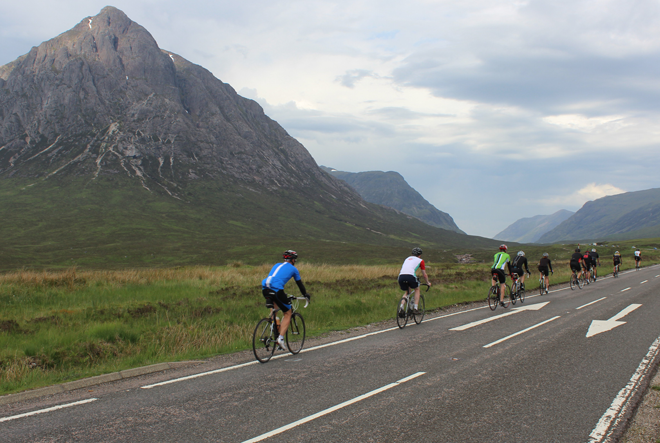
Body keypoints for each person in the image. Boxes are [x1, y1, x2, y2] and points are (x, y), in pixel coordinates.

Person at [262, 250, 311, 349]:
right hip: (277, 289)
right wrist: (305, 295)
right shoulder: (293, 269)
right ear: (293, 260)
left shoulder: (276, 265)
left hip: (265, 288)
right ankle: (280, 338)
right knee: (288, 313)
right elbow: (300, 284)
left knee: (275, 307)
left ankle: (273, 325)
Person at [398, 247, 431, 316]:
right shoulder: (420, 260)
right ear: (420, 255)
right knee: (417, 289)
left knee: (407, 292)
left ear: (412, 254)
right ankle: (415, 308)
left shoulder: (407, 259)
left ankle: (401, 307)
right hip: (410, 276)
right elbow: (424, 275)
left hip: (401, 276)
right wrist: (428, 282)